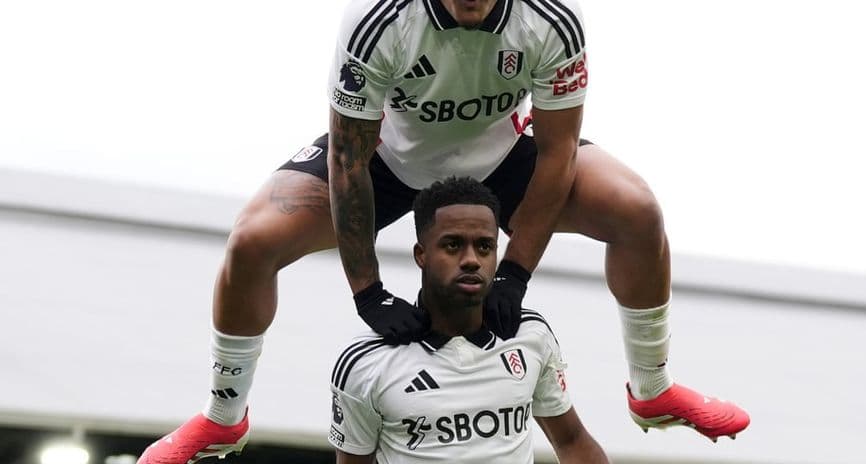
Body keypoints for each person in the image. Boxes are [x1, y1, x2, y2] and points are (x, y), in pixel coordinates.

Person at [138, 0, 749, 462]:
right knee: (250, 243)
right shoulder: (378, 21)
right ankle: (223, 417)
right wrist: (367, 291)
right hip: (387, 161)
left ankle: (652, 389)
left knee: (638, 211)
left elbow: (558, 152)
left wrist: (515, 273)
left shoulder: (552, 20)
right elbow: (349, 160)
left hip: (505, 156)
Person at [329, 176, 607, 464]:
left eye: (485, 247)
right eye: (453, 246)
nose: (472, 260)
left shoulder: (529, 334)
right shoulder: (366, 362)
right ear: (421, 254)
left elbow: (571, 440)